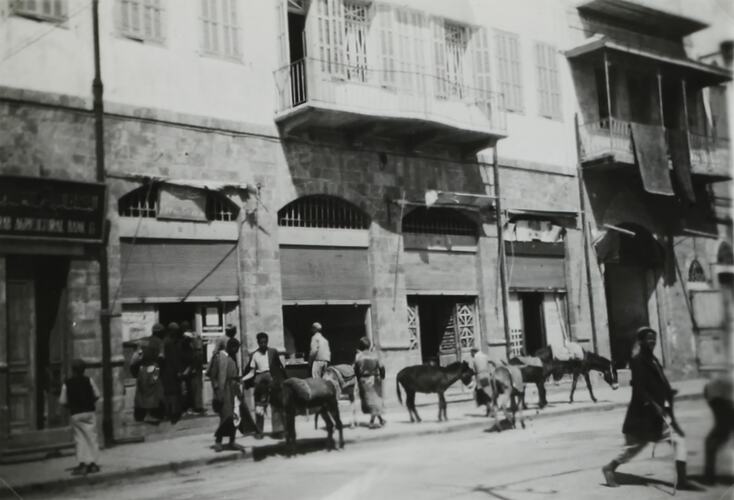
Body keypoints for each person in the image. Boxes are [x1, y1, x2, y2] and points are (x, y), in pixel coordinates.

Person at [601, 326, 697, 490]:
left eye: (654, 338)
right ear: (641, 341)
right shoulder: (637, 361)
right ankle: (609, 468)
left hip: (659, 414)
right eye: (648, 338)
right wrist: (654, 404)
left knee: (679, 441)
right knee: (633, 449)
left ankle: (681, 481)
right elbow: (639, 388)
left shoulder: (654, 360)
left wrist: (668, 394)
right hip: (643, 415)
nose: (652, 341)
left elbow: (659, 382)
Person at [59, 359, 101, 475]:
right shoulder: (89, 380)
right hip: (89, 412)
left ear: (73, 370)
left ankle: (83, 463)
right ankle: (93, 463)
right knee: (92, 437)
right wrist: (89, 401)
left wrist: (71, 404)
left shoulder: (67, 383)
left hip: (76, 413)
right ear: (84, 370)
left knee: (80, 438)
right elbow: (97, 394)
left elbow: (62, 401)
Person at [242, 332, 286, 439]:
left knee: (276, 405)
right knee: (259, 407)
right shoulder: (254, 355)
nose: (263, 344)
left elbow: (279, 367)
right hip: (260, 381)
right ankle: (259, 431)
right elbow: (251, 372)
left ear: (267, 341)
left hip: (272, 380)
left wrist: (282, 380)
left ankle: (278, 430)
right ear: (258, 342)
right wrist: (243, 380)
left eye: (265, 342)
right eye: (261, 342)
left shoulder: (273, 352)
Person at [211, 338, 242, 451]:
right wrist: (217, 389)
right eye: (235, 348)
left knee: (235, 417)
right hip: (224, 391)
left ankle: (232, 441)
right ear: (230, 347)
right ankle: (218, 442)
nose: (236, 351)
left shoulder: (233, 359)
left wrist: (239, 391)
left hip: (234, 390)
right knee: (225, 417)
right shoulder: (219, 358)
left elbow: (235, 376)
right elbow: (213, 376)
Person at [703, 373, 734, 484]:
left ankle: (709, 476)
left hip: (720, 397)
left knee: (713, 440)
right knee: (715, 439)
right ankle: (709, 476)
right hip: (721, 396)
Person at [133, 330, 165, 423]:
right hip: (153, 368)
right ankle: (149, 414)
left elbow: (137, 356)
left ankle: (143, 414)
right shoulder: (159, 342)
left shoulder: (143, 341)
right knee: (152, 391)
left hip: (142, 369)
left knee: (142, 391)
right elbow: (161, 356)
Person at [354, 337, 386, 428]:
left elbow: (356, 370)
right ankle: (377, 421)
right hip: (374, 380)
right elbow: (382, 367)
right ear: (370, 345)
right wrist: (382, 377)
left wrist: (358, 379)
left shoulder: (358, 356)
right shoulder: (375, 355)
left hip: (364, 380)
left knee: (370, 401)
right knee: (375, 400)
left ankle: (375, 421)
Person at [181, 321, 205, 414]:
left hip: (194, 363)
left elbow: (195, 351)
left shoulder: (189, 336)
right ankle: (197, 405)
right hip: (197, 363)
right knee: (196, 386)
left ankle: (196, 406)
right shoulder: (196, 335)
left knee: (193, 386)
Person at [162, 322, 184, 423]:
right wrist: (179, 371)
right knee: (174, 393)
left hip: (166, 372)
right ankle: (174, 415)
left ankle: (168, 413)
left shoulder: (165, 341)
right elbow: (174, 359)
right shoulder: (170, 343)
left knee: (167, 393)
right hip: (171, 372)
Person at [471, 347, 492, 416]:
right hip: (487, 375)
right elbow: (489, 366)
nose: (471, 354)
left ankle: (490, 410)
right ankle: (488, 410)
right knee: (487, 393)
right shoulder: (485, 356)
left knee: (483, 394)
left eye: (471, 353)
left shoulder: (474, 359)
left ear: (473, 352)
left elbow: (474, 370)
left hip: (481, 377)